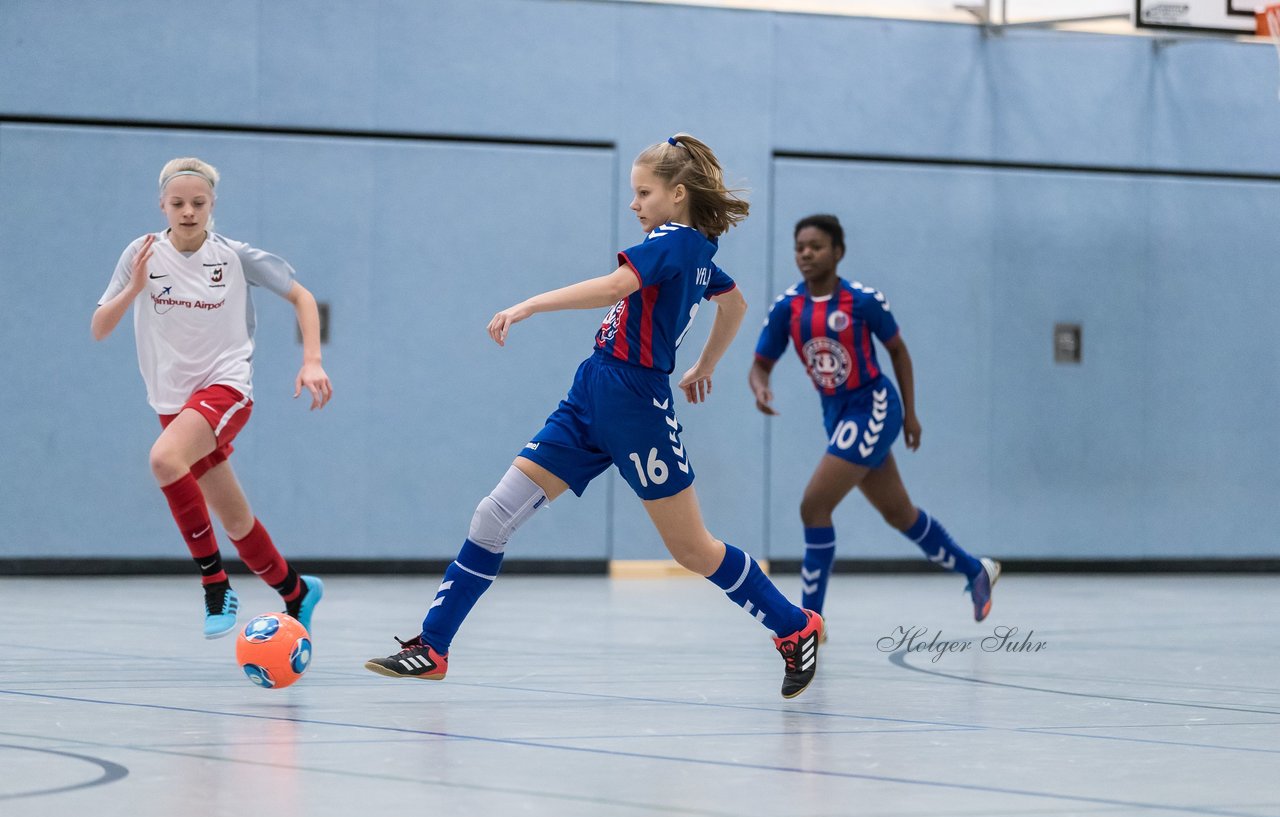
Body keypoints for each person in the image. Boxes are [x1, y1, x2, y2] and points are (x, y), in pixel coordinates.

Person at [365, 134, 824, 699]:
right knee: (493, 515)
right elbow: (734, 302)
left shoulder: (675, 241)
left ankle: (794, 627)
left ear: (677, 195)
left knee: (693, 550)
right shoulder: (693, 250)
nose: (634, 204)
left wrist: (526, 305)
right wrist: (704, 364)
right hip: (592, 392)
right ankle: (433, 648)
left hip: (638, 407)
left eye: (643, 192)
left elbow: (617, 287)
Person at [92, 157, 332, 639]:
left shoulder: (234, 257)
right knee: (235, 518)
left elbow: (303, 297)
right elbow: (99, 327)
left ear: (211, 205)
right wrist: (133, 289)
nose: (187, 211)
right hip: (172, 403)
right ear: (161, 204)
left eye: (197, 203)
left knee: (164, 460)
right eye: (177, 203)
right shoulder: (139, 254)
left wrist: (312, 361)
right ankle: (296, 591)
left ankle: (215, 584)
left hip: (226, 388)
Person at [749, 214, 999, 630]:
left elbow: (898, 351)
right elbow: (760, 364)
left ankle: (810, 621)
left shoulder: (863, 301)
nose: (806, 254)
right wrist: (760, 387)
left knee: (814, 505)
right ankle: (976, 570)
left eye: (816, 246)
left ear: (838, 252)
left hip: (873, 406)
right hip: (837, 416)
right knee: (900, 514)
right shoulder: (787, 308)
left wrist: (911, 414)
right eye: (799, 247)